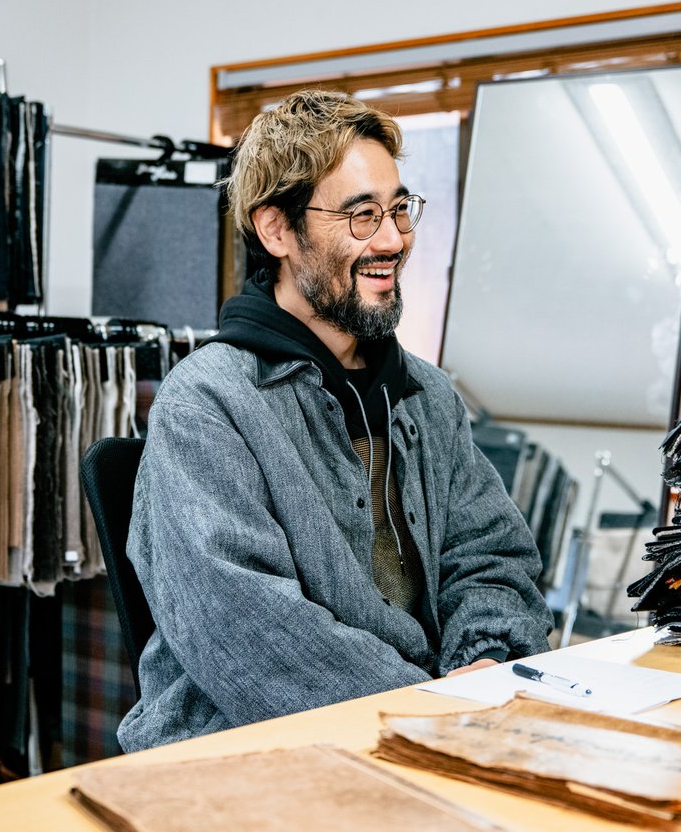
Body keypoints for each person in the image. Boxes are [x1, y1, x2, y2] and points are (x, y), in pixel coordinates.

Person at [118, 89, 552, 751]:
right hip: (244, 759)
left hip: (431, 733)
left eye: (399, 209)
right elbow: (253, 639)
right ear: (276, 230)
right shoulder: (206, 407)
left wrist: (484, 663)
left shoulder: (426, 396)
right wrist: (427, 713)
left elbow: (491, 555)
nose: (393, 240)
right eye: (361, 216)